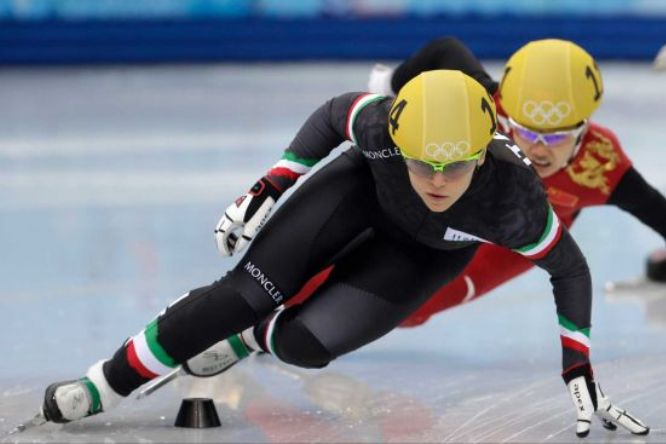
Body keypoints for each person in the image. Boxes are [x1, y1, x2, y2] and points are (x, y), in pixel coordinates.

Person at [37, 70, 647, 438]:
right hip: (358, 194)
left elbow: (570, 270)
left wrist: (577, 367)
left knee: (303, 346)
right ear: (398, 142)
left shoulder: (514, 201)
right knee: (238, 296)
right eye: (422, 162)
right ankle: (105, 382)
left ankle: (251, 339)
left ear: (483, 156)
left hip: (425, 256)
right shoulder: (381, 127)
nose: (436, 180)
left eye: (455, 166)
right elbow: (333, 116)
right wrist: (269, 185)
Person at [293, 37, 666, 327]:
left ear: (585, 129)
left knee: (410, 309)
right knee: (356, 248)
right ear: (505, 110)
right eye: (522, 131)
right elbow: (445, 50)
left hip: (519, 229)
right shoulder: (483, 101)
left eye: (556, 137)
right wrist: (392, 84)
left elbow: (656, 210)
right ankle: (276, 306)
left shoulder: (602, 168)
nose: (538, 149)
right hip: (457, 193)